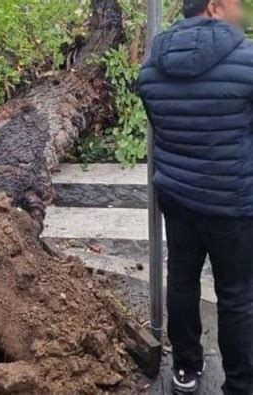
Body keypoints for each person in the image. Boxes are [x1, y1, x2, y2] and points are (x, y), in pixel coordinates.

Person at [139, 0, 253, 394]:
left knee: (182, 280)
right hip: (233, 201)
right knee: (237, 296)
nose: (243, 12)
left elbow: (159, 122)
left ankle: (185, 369)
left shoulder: (152, 63)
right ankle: (240, 384)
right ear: (216, 6)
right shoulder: (247, 58)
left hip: (178, 197)